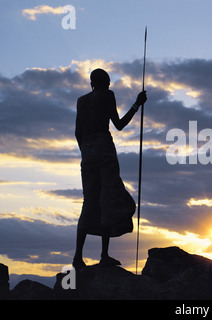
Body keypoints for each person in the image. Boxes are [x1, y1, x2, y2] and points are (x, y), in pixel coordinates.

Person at [73, 68, 147, 269]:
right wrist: (136, 104)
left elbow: (77, 132)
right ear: (105, 83)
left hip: (87, 154)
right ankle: (104, 255)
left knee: (88, 202)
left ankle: (77, 257)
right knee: (109, 199)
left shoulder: (81, 101)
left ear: (91, 83)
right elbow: (119, 124)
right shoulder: (107, 95)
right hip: (104, 151)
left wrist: (86, 152)